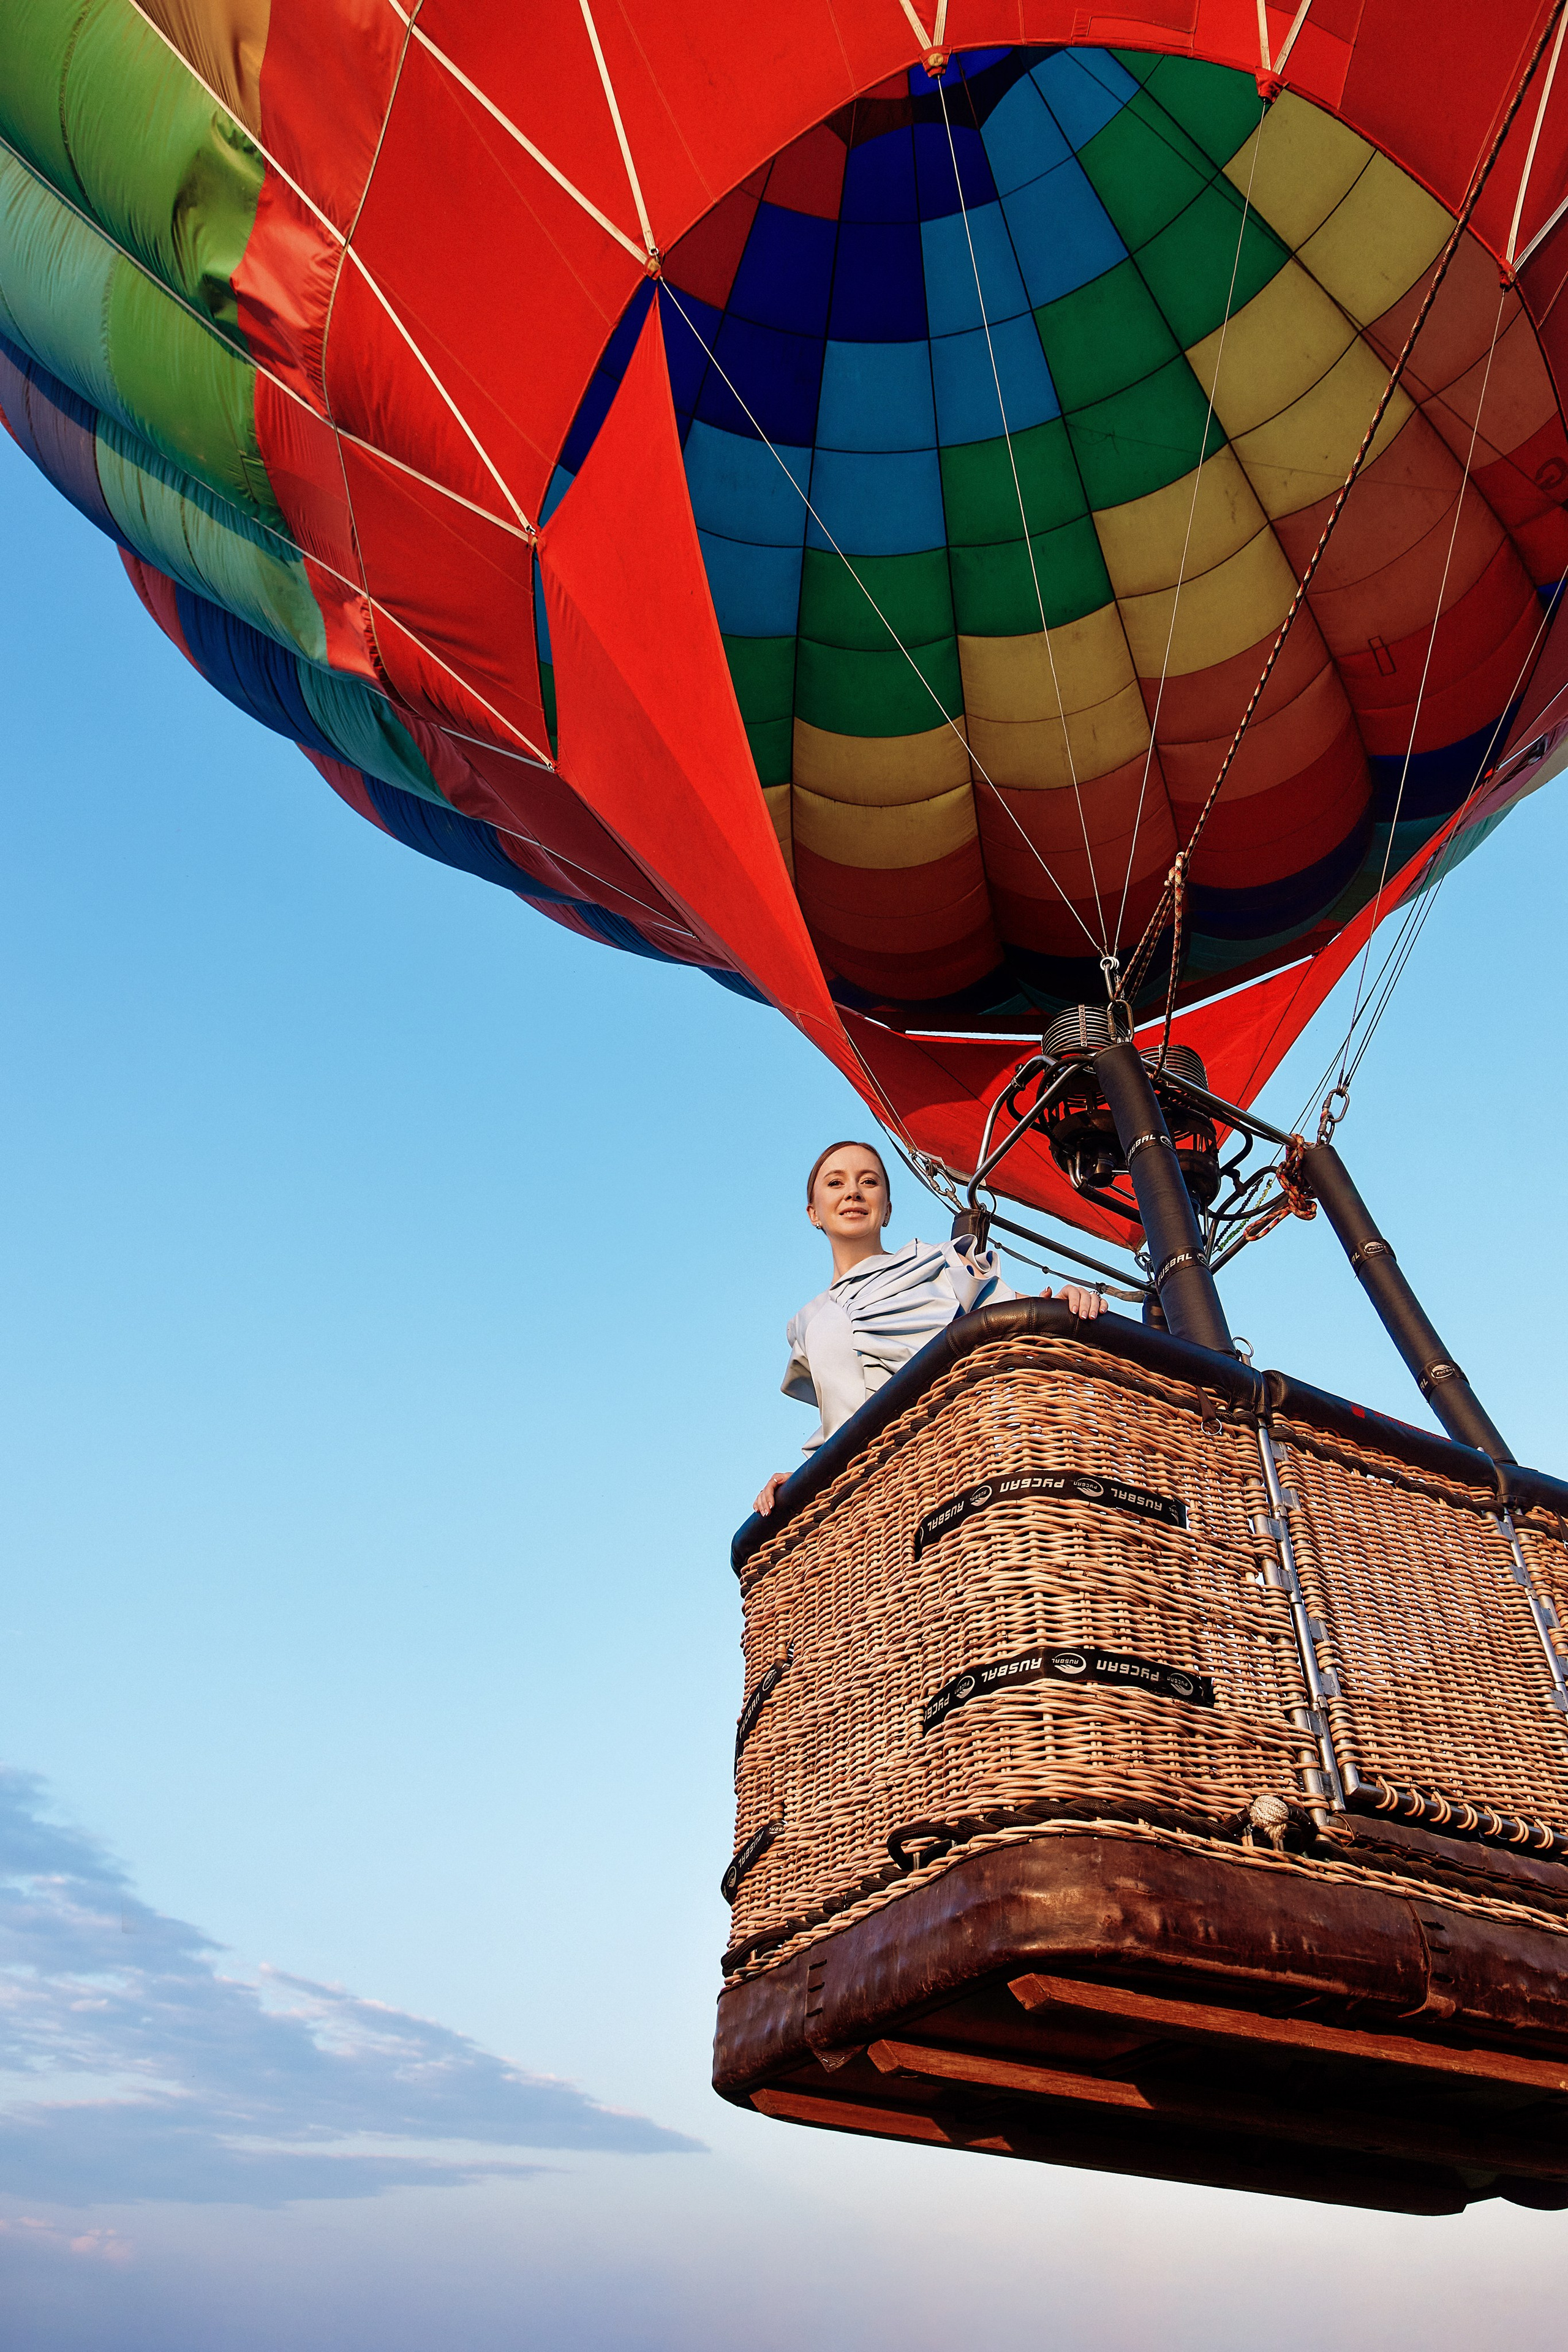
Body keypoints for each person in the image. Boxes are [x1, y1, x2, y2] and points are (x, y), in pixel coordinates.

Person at [753, 1139, 1105, 1516]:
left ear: (887, 1210)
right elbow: (840, 1422)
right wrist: (803, 1480)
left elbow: (1024, 1315)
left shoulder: (939, 1264)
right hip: (865, 1508)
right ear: (813, 1213)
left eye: (869, 1182)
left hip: (952, 1476)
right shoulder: (809, 1321)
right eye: (836, 1183)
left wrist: (1071, 1299)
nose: (853, 1192)